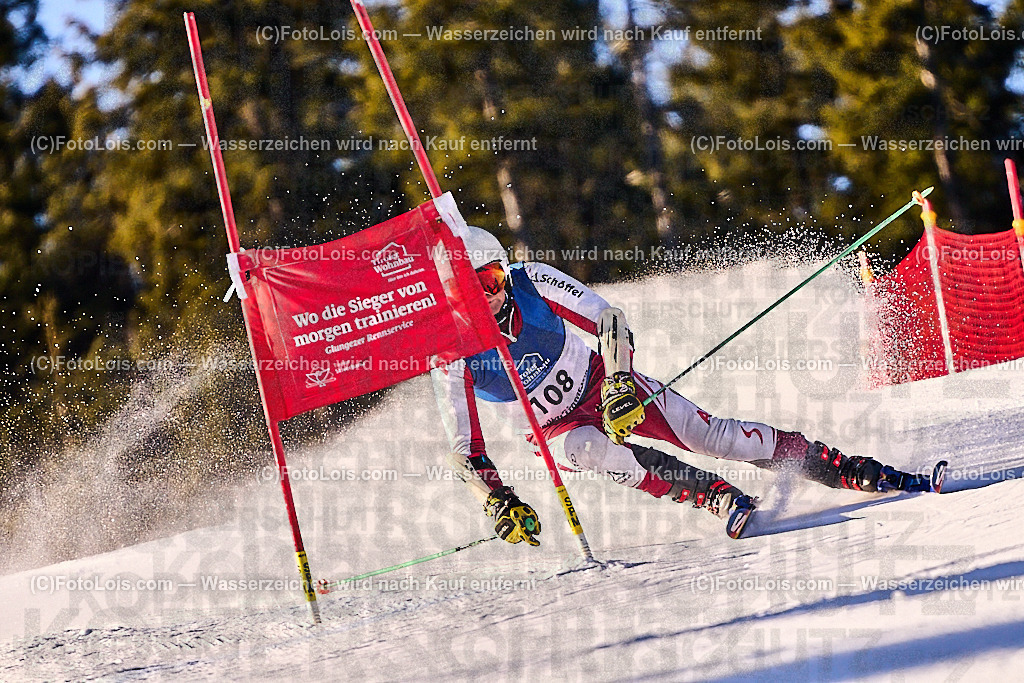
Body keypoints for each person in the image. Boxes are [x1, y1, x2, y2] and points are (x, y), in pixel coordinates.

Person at [431, 227, 932, 545]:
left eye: (492, 279)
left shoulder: (532, 280)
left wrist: (619, 385)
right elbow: (464, 450)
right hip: (554, 430)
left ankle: (842, 467)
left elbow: (609, 319)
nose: (489, 295)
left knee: (707, 434)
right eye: (473, 288)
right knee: (594, 451)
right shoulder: (449, 354)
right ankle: (716, 496)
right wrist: (498, 500)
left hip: (602, 381)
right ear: (453, 295)